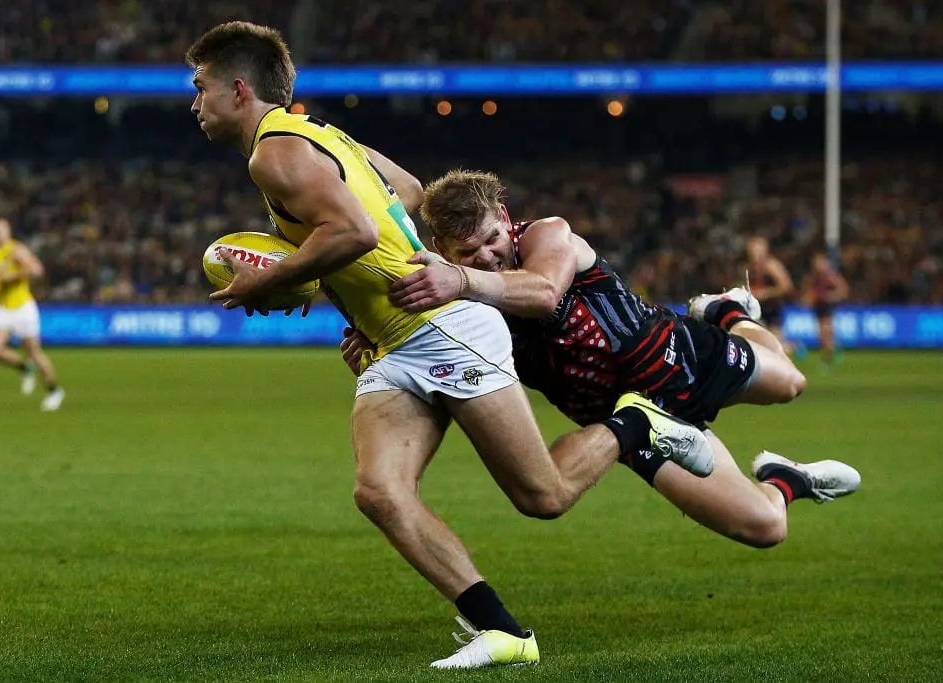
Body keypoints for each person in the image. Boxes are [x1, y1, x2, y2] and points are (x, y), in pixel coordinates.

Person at [185, 22, 713, 670]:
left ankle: (640, 422)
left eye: (201, 87)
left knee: (543, 496)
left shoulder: (271, 154)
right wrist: (339, 284)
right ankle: (503, 633)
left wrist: (272, 278)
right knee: (379, 491)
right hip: (395, 341)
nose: (195, 102)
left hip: (442, 328)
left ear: (239, 89)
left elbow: (352, 231)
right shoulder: (323, 134)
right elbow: (407, 194)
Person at [345, 169, 859, 552]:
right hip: (635, 423)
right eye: (467, 252)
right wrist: (379, 348)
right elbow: (421, 353)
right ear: (441, 248)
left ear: (504, 218)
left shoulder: (548, 235)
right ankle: (787, 479)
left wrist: (461, 279)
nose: (486, 256)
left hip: (680, 355)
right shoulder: (446, 300)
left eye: (492, 239)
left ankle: (727, 312)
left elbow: (544, 292)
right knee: (766, 528)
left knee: (791, 382)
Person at [0, 217, 65, 411]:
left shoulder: (16, 250)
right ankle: (25, 369)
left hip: (22, 308)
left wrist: (12, 276)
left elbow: (36, 270)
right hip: (4, 308)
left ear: (8, 231)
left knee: (34, 352)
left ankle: (54, 390)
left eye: (1, 230)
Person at [745, 236, 803, 358]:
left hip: (772, 309)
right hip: (757, 309)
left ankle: (795, 347)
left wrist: (765, 293)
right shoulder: (751, 268)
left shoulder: (772, 266)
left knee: (776, 346)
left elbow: (786, 287)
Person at [802, 252, 849, 369]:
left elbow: (843, 291)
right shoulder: (812, 278)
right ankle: (831, 354)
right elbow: (808, 293)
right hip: (818, 308)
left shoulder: (831, 276)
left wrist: (830, 297)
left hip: (828, 308)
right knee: (822, 335)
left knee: (825, 333)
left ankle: (828, 358)